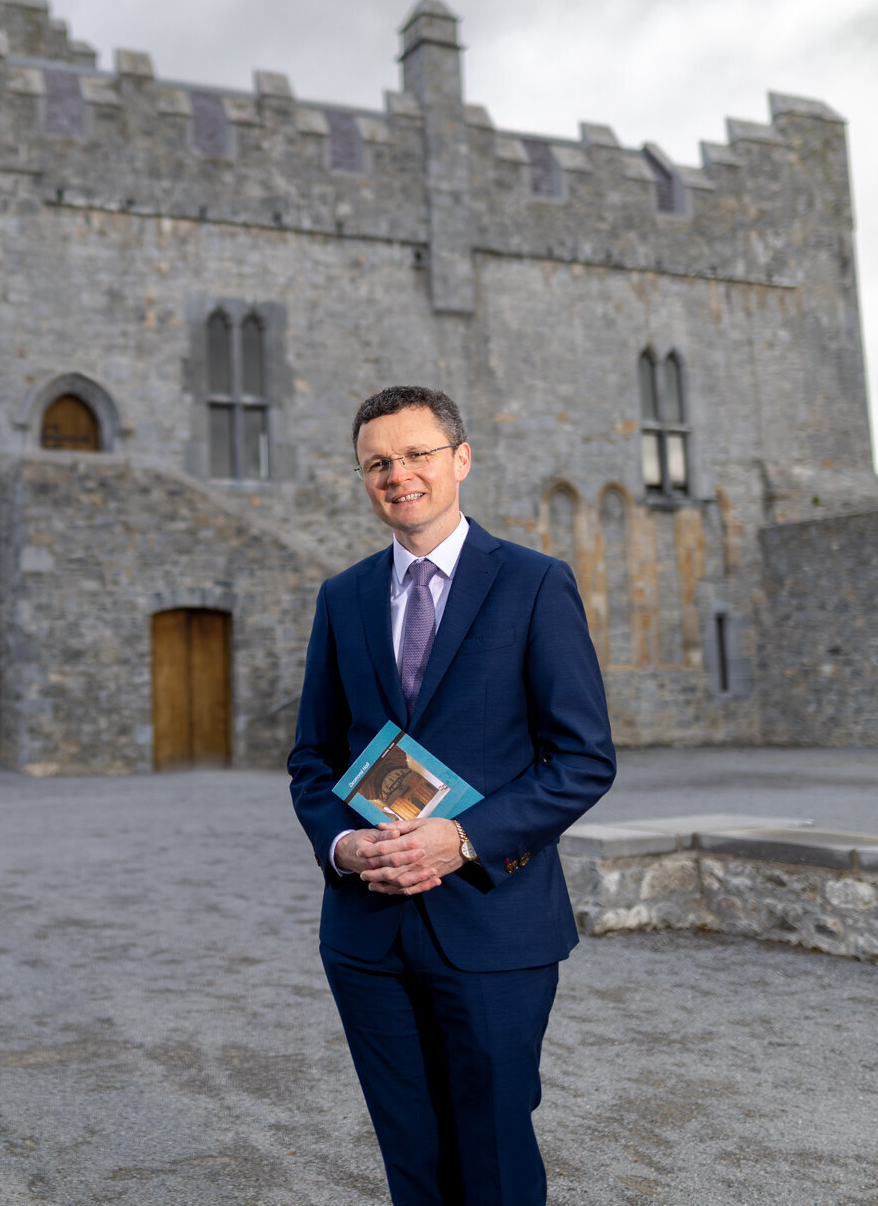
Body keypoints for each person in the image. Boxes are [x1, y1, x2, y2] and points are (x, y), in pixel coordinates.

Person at [287, 385, 615, 1205]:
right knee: (412, 1160)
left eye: (416, 454)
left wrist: (461, 838)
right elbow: (311, 757)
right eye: (378, 463)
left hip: (492, 922)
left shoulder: (536, 584)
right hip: (369, 931)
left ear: (460, 458)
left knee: (495, 1155)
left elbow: (582, 758)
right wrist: (343, 844)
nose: (399, 475)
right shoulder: (344, 597)